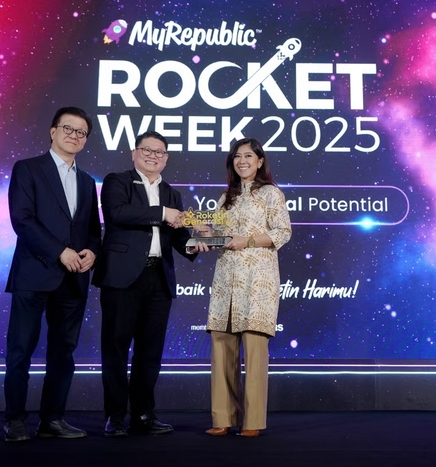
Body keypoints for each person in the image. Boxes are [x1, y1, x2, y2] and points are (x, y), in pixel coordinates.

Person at [92, 130, 202, 437]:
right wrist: (163, 214)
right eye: (147, 150)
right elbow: (118, 213)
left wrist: (197, 244)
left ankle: (143, 415)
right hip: (122, 277)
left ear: (166, 159)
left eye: (159, 152)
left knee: (150, 352)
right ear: (134, 153)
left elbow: (179, 238)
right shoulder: (118, 181)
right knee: (115, 349)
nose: (153, 156)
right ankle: (115, 416)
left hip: (158, 279)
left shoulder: (172, 194)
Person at [3, 107, 101, 442]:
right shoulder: (28, 168)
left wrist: (92, 252)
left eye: (81, 132)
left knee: (63, 354)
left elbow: (92, 230)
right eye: (68, 129)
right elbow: (22, 219)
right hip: (34, 274)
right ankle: (15, 420)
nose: (74, 136)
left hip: (73, 279)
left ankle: (52, 420)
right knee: (20, 352)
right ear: (53, 131)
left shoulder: (87, 182)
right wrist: (60, 251)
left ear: (85, 140)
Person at [204, 137, 292, 438]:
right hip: (225, 281)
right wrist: (203, 234)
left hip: (257, 281)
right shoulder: (225, 197)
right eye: (237, 156)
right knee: (221, 347)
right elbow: (218, 234)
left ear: (260, 161)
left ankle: (252, 421)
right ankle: (222, 417)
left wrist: (249, 240)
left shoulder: (271, 193)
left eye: (248, 156)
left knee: (254, 351)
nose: (242, 161)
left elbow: (283, 232)